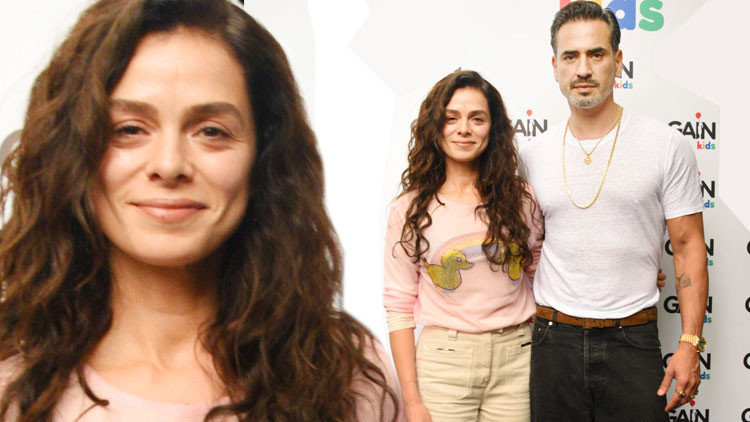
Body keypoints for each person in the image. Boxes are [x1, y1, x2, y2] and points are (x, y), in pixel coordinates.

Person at [0, 0, 402, 420]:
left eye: (211, 131)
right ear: (70, 150)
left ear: (264, 156)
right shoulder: (11, 381)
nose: (169, 164)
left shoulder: (346, 377)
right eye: (129, 129)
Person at [520, 2, 708, 420]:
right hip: (553, 341)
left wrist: (690, 342)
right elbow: (525, 249)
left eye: (596, 54)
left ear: (618, 61)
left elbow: (688, 246)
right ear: (555, 66)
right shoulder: (531, 155)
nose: (583, 69)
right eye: (571, 56)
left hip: (633, 340)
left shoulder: (665, 145)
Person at [384, 70, 543, 421]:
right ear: (434, 127)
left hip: (517, 358)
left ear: (493, 128)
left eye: (477, 118)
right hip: (444, 364)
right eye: (451, 118)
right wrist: (412, 401)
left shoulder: (521, 199)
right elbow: (399, 306)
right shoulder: (410, 209)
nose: (464, 129)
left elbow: (543, 272)